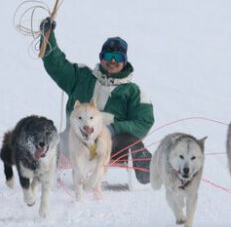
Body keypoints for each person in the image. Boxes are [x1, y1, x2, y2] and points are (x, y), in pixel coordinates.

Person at [38, 17, 154, 184]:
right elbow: (55, 64)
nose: (112, 61)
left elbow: (144, 122)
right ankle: (39, 175)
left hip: (112, 144)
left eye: (118, 57)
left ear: (124, 61)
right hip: (76, 140)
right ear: (101, 58)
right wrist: (47, 36)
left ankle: (148, 176)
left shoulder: (134, 92)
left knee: (132, 143)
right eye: (109, 56)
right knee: (48, 141)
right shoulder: (81, 76)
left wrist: (114, 128)